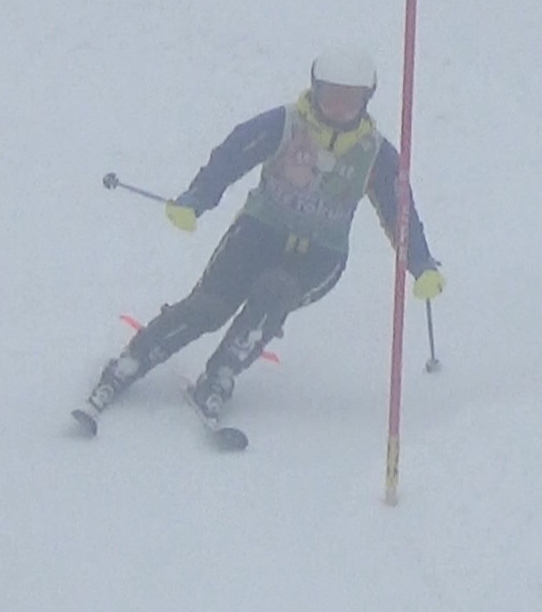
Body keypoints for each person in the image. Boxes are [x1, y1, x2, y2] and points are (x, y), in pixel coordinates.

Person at [72, 48, 444, 435]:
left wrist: (421, 264)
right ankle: (132, 360)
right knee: (210, 306)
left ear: (366, 100)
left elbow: (399, 210)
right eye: (331, 96)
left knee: (275, 292)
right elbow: (234, 153)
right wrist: (199, 197)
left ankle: (220, 376)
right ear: (315, 90)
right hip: (258, 234)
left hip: (320, 256)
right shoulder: (287, 123)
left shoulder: (375, 153)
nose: (339, 108)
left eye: (350, 100)